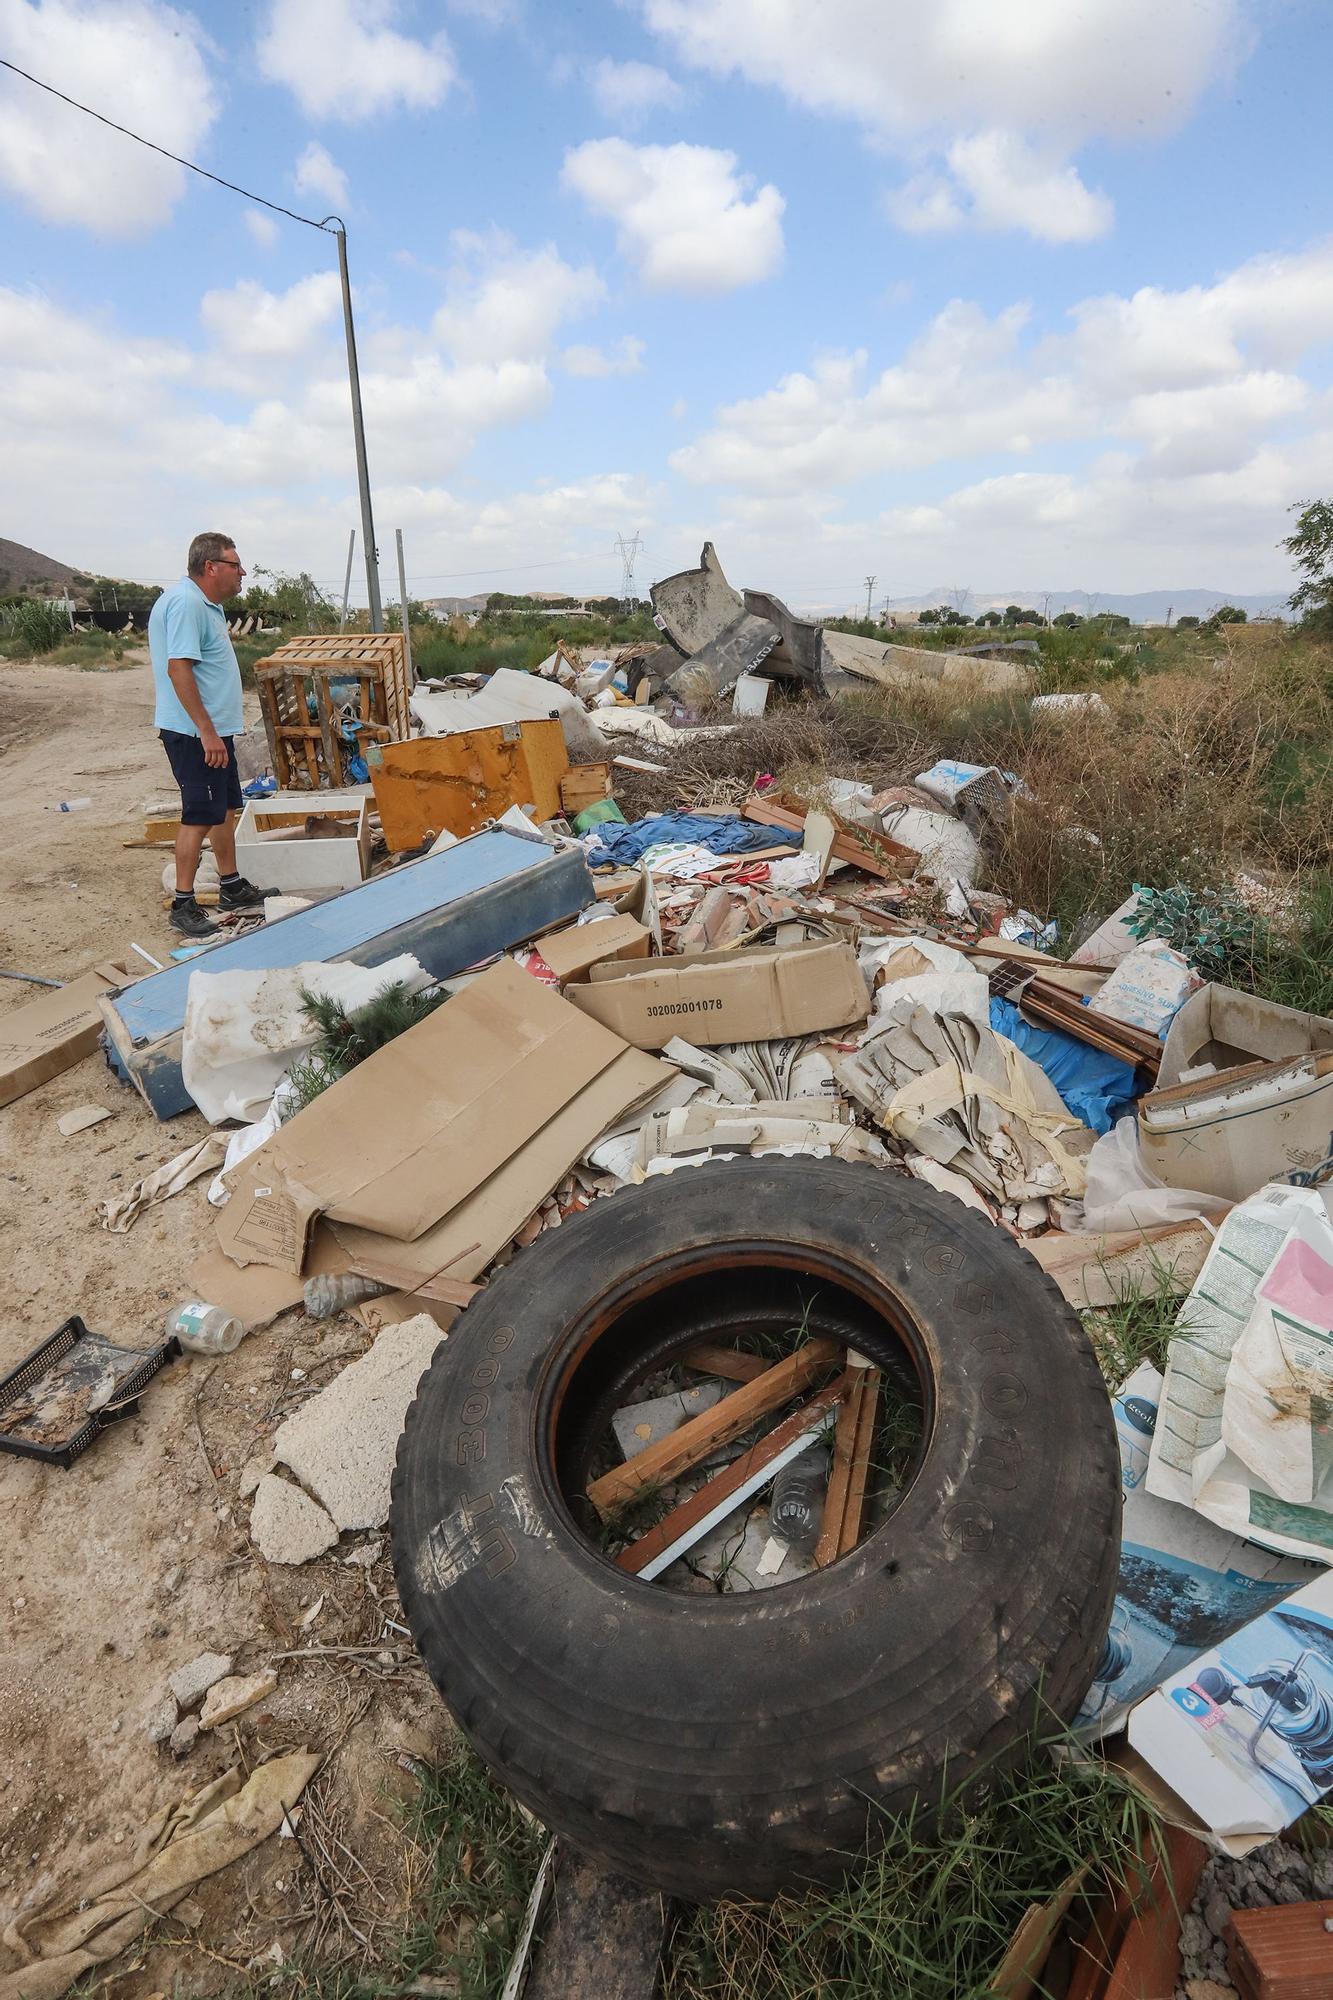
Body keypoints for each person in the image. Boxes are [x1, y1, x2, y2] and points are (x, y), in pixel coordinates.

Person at [148, 531, 268, 937]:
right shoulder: (186, 604)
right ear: (211, 567)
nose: (242, 573)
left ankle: (231, 884)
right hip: (195, 734)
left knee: (223, 808)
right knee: (198, 815)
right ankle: (183, 905)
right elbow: (178, 669)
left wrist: (216, 731)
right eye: (236, 565)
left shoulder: (207, 605)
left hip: (214, 732)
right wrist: (206, 731)